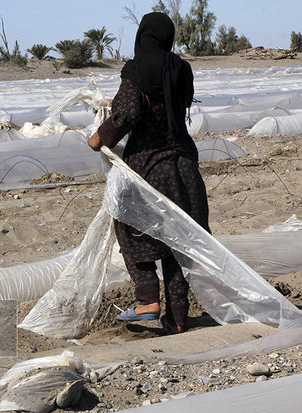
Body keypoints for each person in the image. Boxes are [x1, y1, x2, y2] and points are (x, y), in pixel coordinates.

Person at [88, 12, 210, 334]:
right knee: (178, 241)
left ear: (143, 37)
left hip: (149, 169)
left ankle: (146, 301)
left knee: (128, 226)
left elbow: (128, 112)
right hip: (184, 167)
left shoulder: (137, 70)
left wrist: (100, 137)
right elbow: (165, 104)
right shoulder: (180, 70)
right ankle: (178, 317)